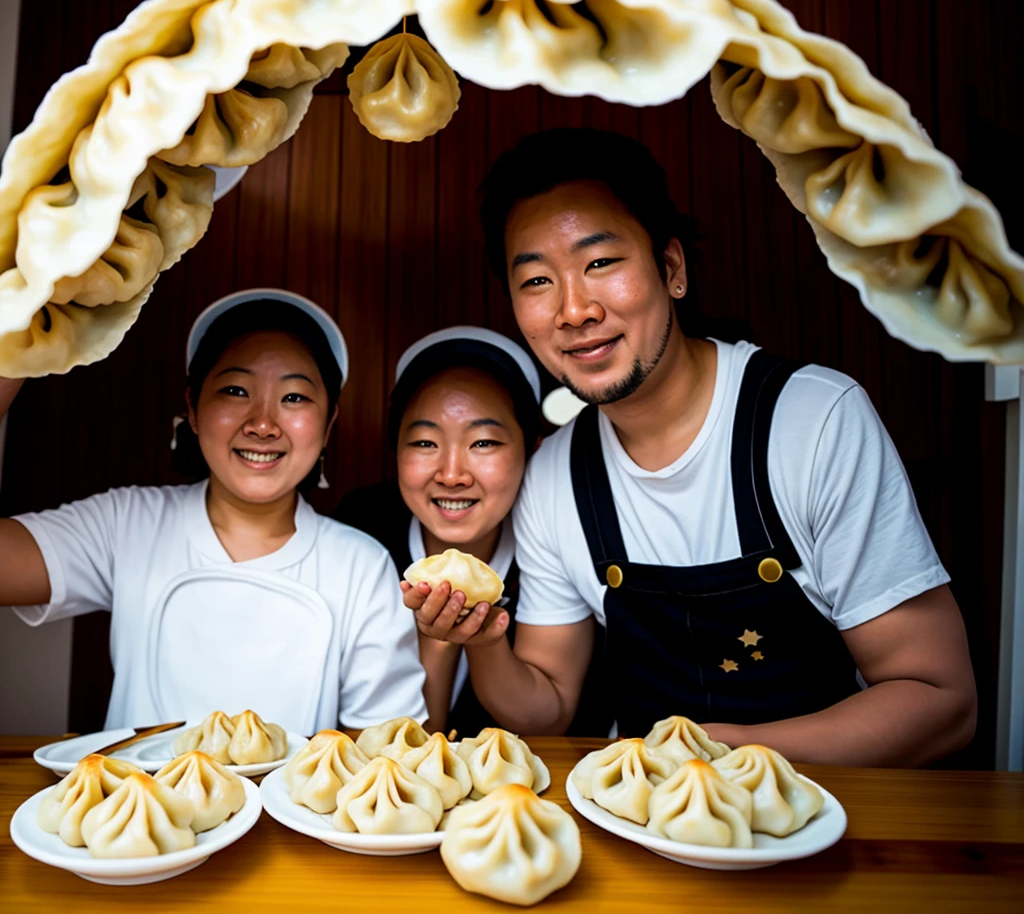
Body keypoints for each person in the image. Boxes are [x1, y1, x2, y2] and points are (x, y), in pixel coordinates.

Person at [403, 128, 978, 767]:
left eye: (601, 263)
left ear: (671, 269)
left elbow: (940, 701)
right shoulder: (554, 475)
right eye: (537, 281)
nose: (573, 309)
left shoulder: (813, 420)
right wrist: (483, 641)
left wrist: (710, 755)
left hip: (826, 829)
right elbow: (549, 707)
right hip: (645, 830)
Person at [0, 288, 427, 734]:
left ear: (328, 425)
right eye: (235, 390)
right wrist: (17, 335)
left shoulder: (361, 565)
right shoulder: (127, 524)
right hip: (137, 804)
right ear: (194, 409)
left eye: (295, 398)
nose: (262, 424)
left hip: (283, 808)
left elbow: (384, 743)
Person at [335, 326, 609, 736]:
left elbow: (548, 723)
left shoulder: (559, 536)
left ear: (533, 448)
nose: (451, 474)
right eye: (425, 443)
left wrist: (483, 639)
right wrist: (440, 642)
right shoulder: (361, 531)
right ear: (394, 449)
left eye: (483, 443)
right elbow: (397, 749)